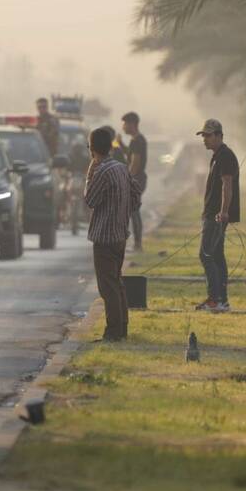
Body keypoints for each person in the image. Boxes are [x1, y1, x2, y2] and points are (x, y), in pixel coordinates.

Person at [84, 127, 142, 341]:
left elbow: (89, 200)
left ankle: (113, 332)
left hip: (104, 238)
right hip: (120, 234)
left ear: (92, 148)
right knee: (117, 283)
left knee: (107, 287)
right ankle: (122, 327)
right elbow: (136, 198)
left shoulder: (102, 172)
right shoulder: (121, 168)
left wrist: (89, 175)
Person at [195, 119, 240, 313]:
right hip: (213, 214)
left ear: (219, 136)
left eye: (208, 135)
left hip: (216, 216)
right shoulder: (217, 156)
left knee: (206, 255)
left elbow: (227, 185)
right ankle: (222, 300)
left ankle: (215, 299)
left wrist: (223, 212)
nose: (205, 139)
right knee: (217, 256)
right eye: (203, 135)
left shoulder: (225, 156)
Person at [119, 112, 147, 252]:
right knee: (133, 211)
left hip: (136, 179)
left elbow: (135, 164)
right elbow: (130, 155)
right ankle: (137, 243)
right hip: (138, 179)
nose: (123, 127)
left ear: (132, 124)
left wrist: (127, 180)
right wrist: (121, 145)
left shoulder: (137, 141)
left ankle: (138, 244)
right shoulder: (136, 140)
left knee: (134, 212)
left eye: (124, 124)